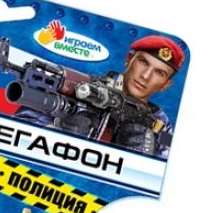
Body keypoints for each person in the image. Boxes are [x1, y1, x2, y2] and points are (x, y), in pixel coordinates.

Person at [15, 34, 185, 158]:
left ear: (166, 84)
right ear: (129, 59)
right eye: (143, 62)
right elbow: (18, 133)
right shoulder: (78, 87)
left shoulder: (159, 122)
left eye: (159, 73)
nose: (145, 76)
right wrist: (58, 132)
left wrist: (143, 156)